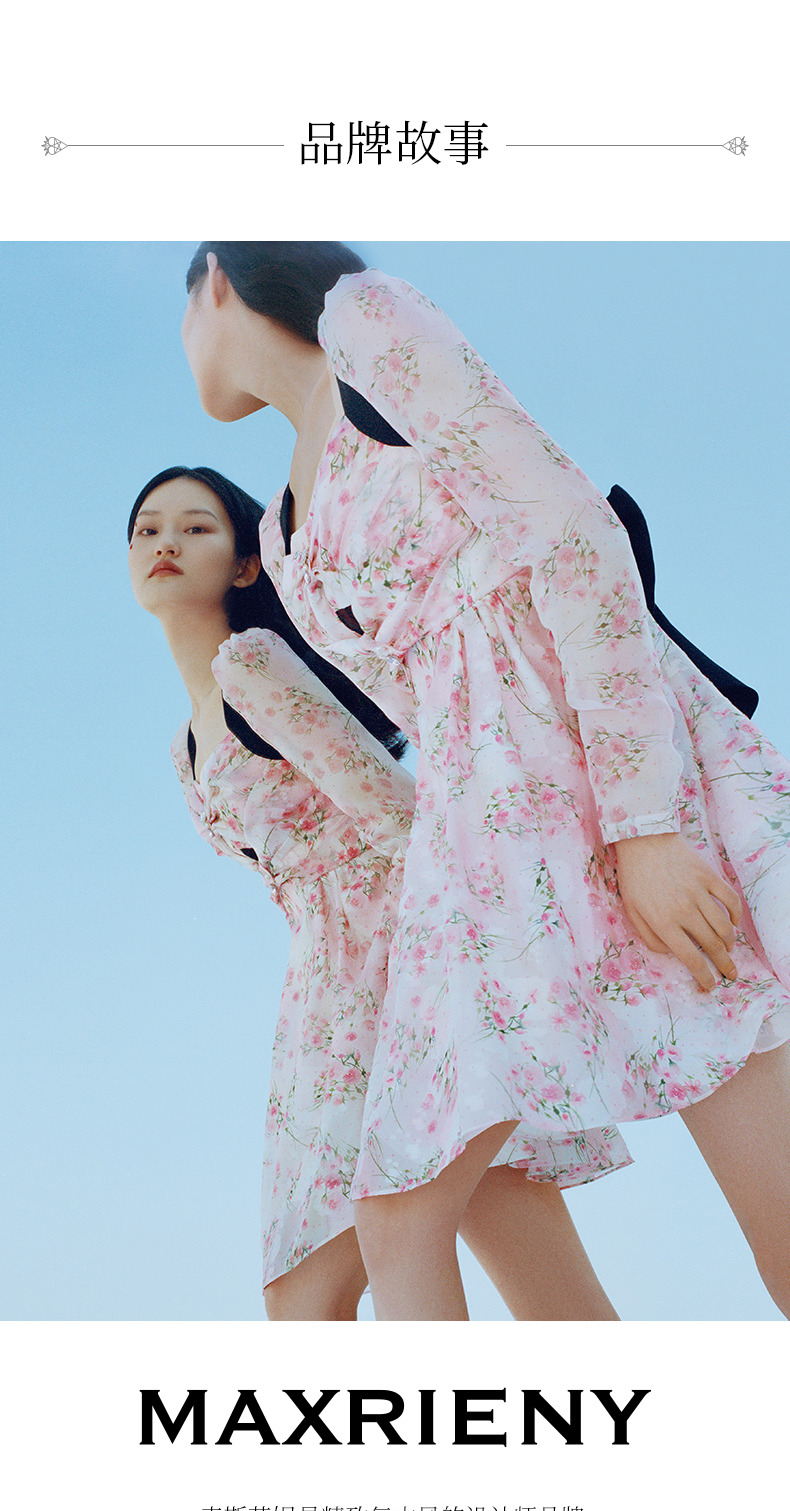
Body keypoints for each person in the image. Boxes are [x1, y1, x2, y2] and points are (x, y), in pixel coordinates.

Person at [179, 244, 790, 1321]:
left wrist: (646, 825)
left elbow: (574, 532)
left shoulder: (368, 325)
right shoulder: (278, 532)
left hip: (616, 780)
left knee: (778, 1220)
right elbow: (428, 711)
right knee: (400, 1206)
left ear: (217, 279)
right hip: (483, 847)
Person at [129, 464, 625, 1320]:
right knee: (548, 1291)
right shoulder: (184, 746)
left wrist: (483, 968)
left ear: (247, 564)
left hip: (397, 970)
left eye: (195, 527)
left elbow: (402, 818)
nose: (164, 542)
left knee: (308, 1290)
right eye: (146, 530)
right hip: (325, 984)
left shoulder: (251, 667)